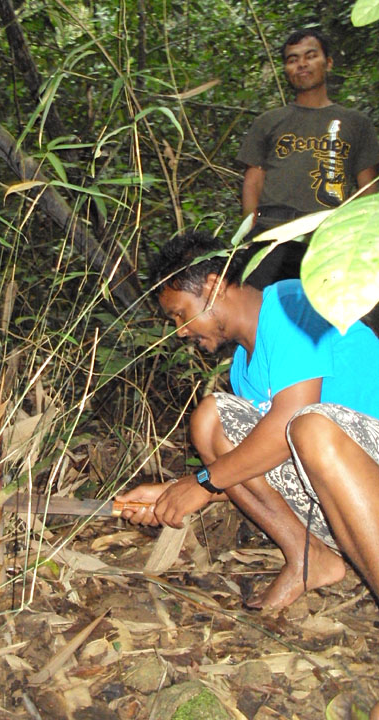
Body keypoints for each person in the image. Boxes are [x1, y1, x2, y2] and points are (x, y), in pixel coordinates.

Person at [117, 231, 379, 610]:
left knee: (309, 426)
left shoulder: (293, 302)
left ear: (213, 286)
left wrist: (203, 484)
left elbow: (292, 417)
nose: (180, 331)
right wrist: (172, 494)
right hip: (344, 506)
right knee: (211, 419)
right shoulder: (243, 368)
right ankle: (309, 557)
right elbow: (251, 463)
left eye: (180, 314)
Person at [237, 29, 379, 289]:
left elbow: (367, 189)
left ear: (328, 62)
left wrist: (358, 237)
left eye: (310, 56)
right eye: (292, 59)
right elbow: (253, 182)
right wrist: (249, 234)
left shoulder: (356, 123)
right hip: (272, 235)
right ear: (285, 69)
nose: (301, 64)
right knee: (263, 313)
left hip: (328, 238)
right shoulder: (268, 121)